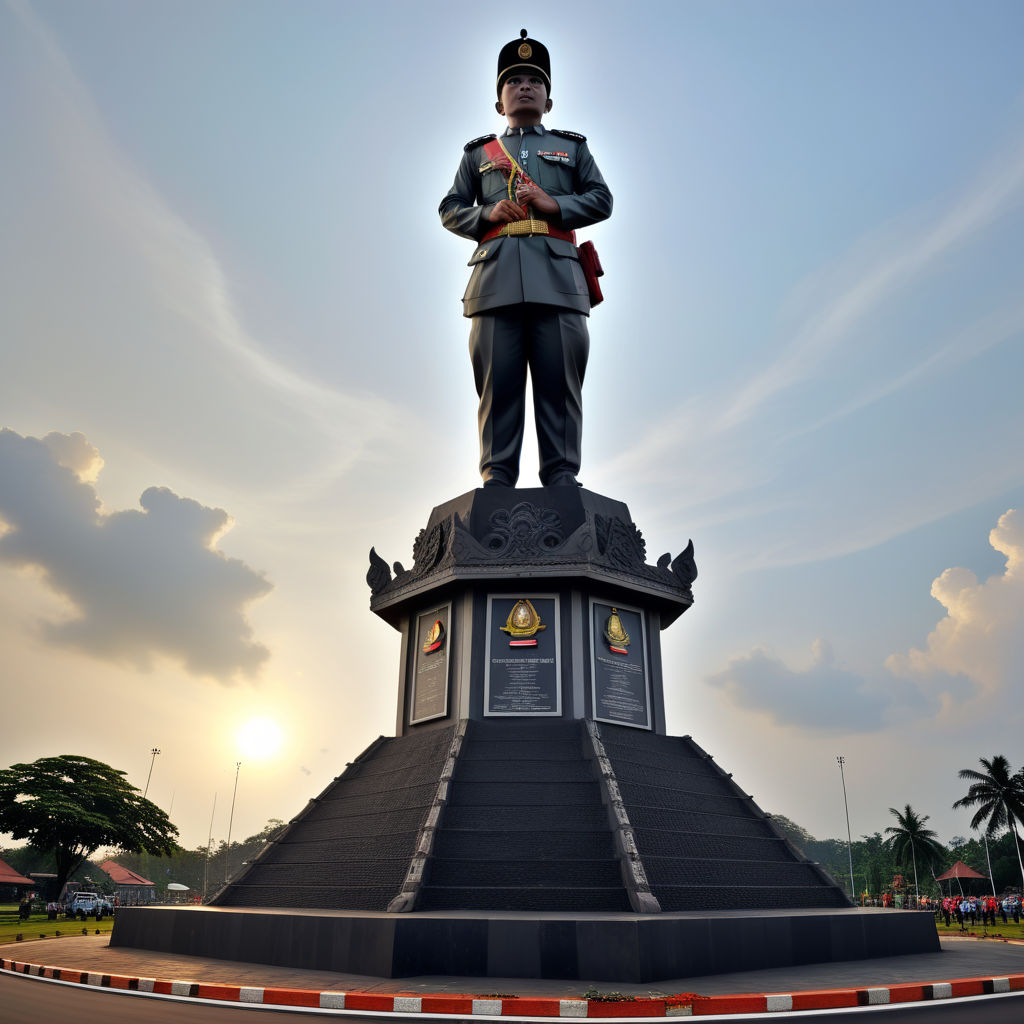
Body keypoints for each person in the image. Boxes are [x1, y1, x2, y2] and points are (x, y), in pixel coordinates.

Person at [440, 30, 612, 488]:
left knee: (560, 387)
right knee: (498, 388)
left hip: (558, 279)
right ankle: (497, 475)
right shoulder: (477, 154)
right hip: (495, 281)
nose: (524, 86)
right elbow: (449, 208)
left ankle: (561, 476)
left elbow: (602, 199)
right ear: (499, 101)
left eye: (534, 80)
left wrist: (554, 204)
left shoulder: (573, 148)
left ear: (548, 99)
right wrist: (486, 213)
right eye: (513, 80)